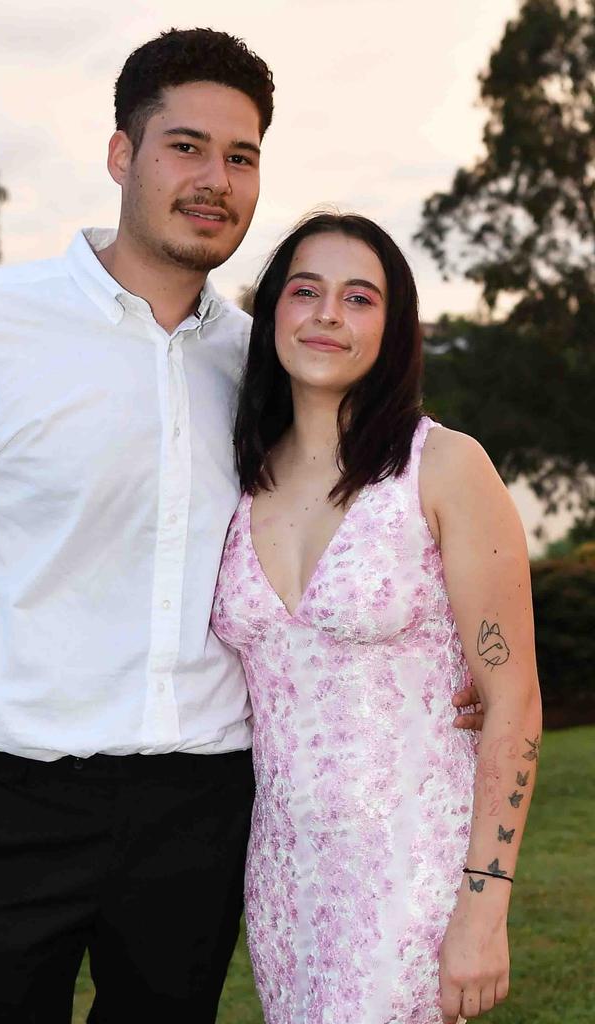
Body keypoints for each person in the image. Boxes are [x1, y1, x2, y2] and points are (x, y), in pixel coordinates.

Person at [0, 30, 482, 1024]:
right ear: (120, 155)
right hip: (16, 799)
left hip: (204, 812)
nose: (214, 178)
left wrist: (459, 668)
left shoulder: (263, 362)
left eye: (242, 154)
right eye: (185, 146)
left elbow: (342, 536)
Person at [211, 211, 543, 1024]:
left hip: (412, 872)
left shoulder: (445, 466)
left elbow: (514, 699)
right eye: (305, 291)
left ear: (392, 331)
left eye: (359, 298)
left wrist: (484, 903)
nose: (328, 313)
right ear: (271, 314)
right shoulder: (235, 476)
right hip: (285, 879)